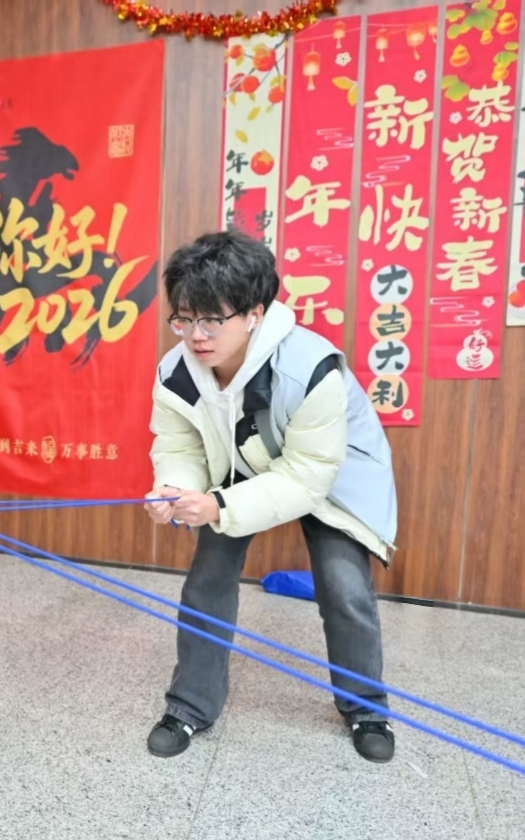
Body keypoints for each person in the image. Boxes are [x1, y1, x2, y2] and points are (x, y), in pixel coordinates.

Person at [143, 229, 397, 764]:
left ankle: (366, 709)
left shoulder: (311, 368)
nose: (196, 335)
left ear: (254, 314)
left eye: (212, 320)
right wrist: (176, 489)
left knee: (344, 586)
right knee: (207, 579)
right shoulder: (175, 370)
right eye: (184, 319)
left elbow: (307, 475)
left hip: (331, 475)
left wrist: (220, 506)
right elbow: (179, 444)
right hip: (239, 467)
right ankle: (189, 706)